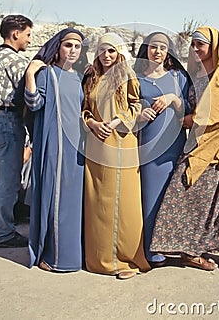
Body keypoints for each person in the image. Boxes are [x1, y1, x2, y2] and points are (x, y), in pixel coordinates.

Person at [150, 26, 219, 271]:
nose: (195, 49)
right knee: (188, 193)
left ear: (212, 46)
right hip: (199, 143)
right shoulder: (196, 74)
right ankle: (189, 250)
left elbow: (216, 113)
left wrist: (184, 121)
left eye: (199, 44)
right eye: (192, 44)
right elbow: (188, 102)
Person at [82, 32, 150, 280]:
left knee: (125, 205)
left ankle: (125, 260)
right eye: (102, 50)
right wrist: (91, 123)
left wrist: (115, 121)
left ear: (119, 51)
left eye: (111, 51)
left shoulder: (127, 75)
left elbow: (136, 106)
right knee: (98, 204)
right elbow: (85, 109)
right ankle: (99, 260)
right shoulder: (91, 76)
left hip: (122, 143)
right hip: (96, 145)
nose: (107, 55)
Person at [24, 28, 88, 272]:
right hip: (54, 145)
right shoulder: (47, 74)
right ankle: (53, 256)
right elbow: (34, 104)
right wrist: (31, 73)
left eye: (77, 47)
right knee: (55, 197)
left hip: (76, 148)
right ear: (58, 47)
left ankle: (73, 254)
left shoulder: (78, 76)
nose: (72, 50)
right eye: (68, 45)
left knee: (73, 201)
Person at [134, 32, 190, 266]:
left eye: (162, 47)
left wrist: (174, 100)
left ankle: (173, 247)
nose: (157, 51)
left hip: (175, 146)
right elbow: (124, 111)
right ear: (146, 49)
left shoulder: (179, 77)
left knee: (174, 198)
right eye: (153, 47)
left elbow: (189, 110)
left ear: (169, 52)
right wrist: (139, 115)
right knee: (150, 199)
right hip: (148, 148)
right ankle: (151, 251)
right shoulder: (135, 79)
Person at [0, 14, 33, 247]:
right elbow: (27, 98)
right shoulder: (16, 62)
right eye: (28, 35)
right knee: (9, 182)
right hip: (7, 121)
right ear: (16, 34)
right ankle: (4, 234)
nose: (29, 40)